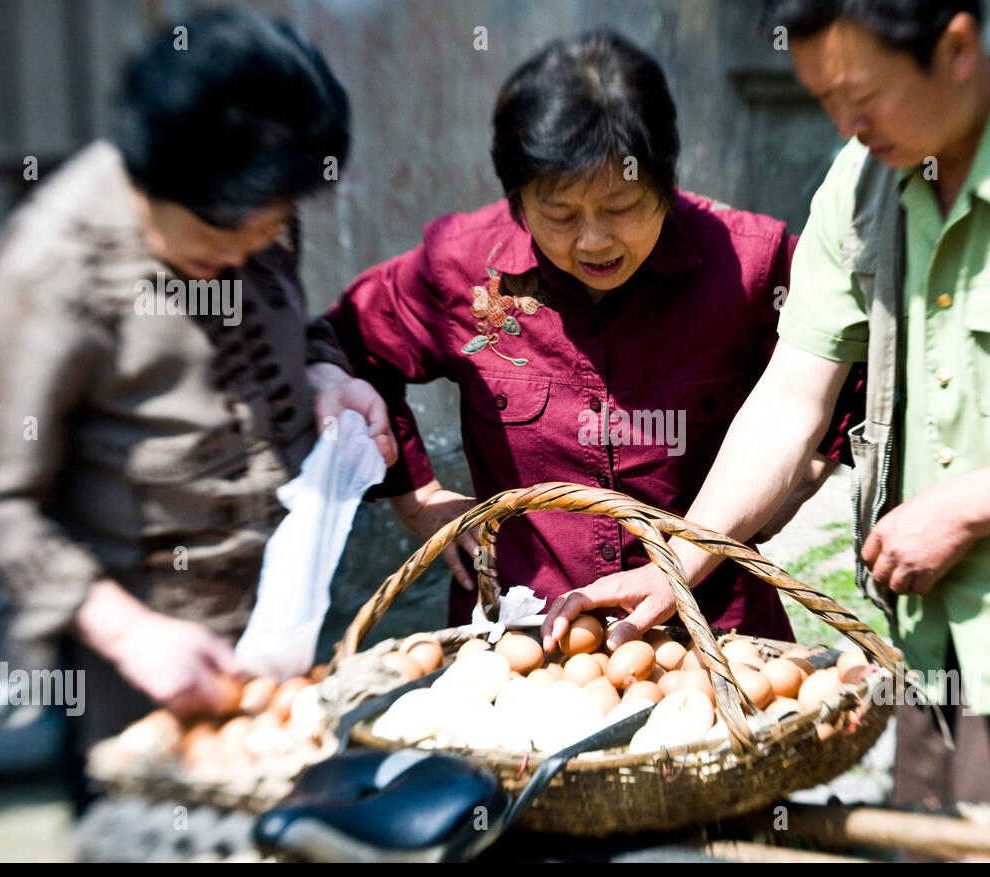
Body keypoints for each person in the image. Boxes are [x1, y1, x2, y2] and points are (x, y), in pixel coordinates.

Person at [544, 1, 990, 862]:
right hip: (929, 654)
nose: (847, 123)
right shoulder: (865, 179)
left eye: (863, 94)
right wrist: (677, 562)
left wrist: (963, 507)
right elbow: (793, 398)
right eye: (824, 97)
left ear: (959, 49)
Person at [314, 31, 863, 647]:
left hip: (714, 640)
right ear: (517, 198)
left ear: (665, 176)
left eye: (622, 205)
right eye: (561, 214)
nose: (594, 241)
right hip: (521, 638)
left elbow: (848, 376)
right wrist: (418, 497)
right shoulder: (464, 267)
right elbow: (348, 346)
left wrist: (780, 492)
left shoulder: (752, 266)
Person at [0, 8, 394, 807]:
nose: (249, 253)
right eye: (226, 237)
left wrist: (322, 374)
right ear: (154, 178)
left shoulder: (253, 202)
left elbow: (282, 324)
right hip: (140, 674)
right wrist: (129, 633)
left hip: (282, 629)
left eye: (271, 230)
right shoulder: (51, 272)